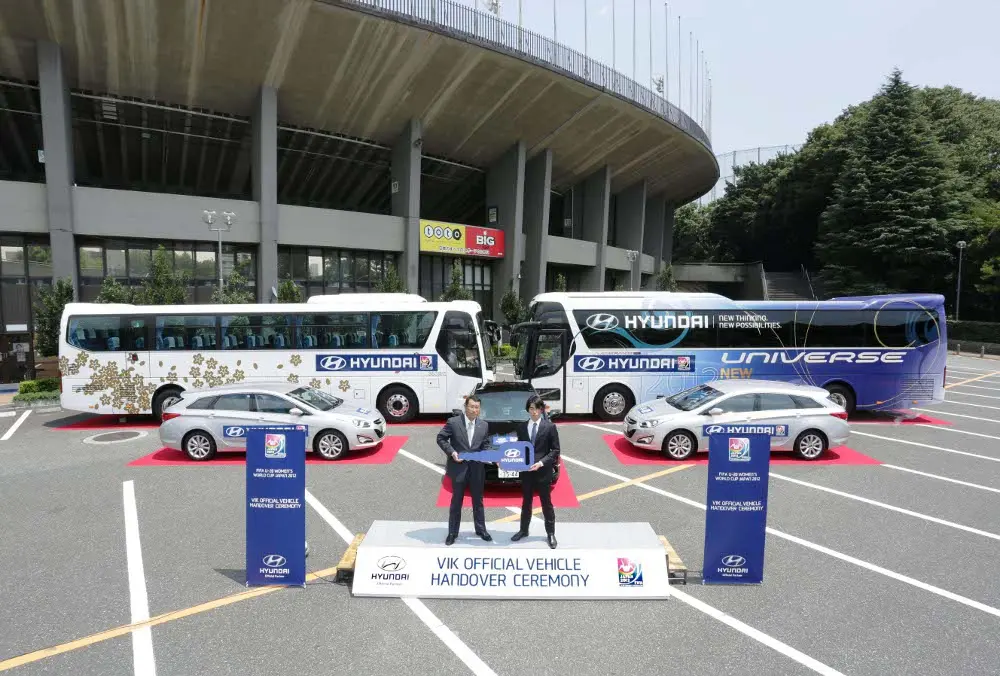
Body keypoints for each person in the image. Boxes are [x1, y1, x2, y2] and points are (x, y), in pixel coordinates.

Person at [436, 394, 491, 545]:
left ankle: (481, 530)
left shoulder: (484, 425)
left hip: (477, 470)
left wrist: (491, 457)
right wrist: (452, 452)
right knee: (456, 502)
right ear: (466, 407)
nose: (474, 410)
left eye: (477, 407)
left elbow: (485, 445)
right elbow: (440, 438)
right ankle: (452, 532)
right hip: (458, 468)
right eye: (472, 406)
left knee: (478, 502)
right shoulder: (453, 422)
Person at [510, 394, 560, 549]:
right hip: (526, 472)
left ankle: (550, 533)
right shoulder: (521, 427)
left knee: (546, 503)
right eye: (531, 408)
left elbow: (555, 450)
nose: (534, 412)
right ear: (528, 409)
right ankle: (523, 530)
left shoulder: (549, 427)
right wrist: (505, 460)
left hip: (543, 471)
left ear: (541, 409)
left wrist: (541, 463)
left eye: (537, 408)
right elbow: (518, 450)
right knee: (526, 503)